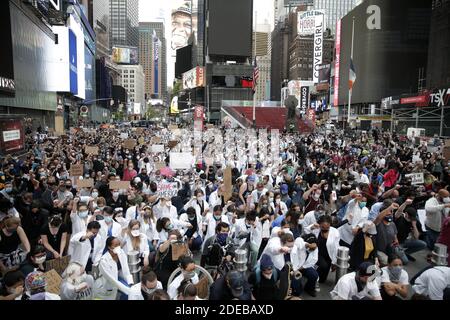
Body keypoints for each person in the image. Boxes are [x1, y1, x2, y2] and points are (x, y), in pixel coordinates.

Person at [304, 215, 340, 286]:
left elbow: (336, 247)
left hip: (329, 254)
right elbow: (306, 230)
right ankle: (313, 275)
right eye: (323, 227)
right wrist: (312, 227)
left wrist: (334, 262)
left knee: (322, 279)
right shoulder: (316, 228)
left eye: (327, 227)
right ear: (320, 224)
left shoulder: (335, 232)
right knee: (323, 266)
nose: (325, 229)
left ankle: (315, 275)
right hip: (318, 253)